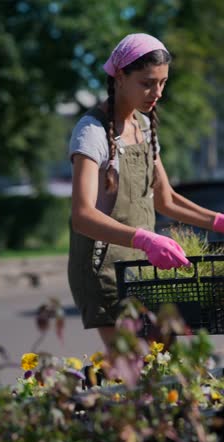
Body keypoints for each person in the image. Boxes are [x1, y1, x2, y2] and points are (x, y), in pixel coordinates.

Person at [67, 33, 224, 347]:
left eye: (163, 82)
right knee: (135, 371)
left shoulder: (145, 125)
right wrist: (144, 237)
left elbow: (165, 199)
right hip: (106, 269)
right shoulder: (92, 132)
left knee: (164, 361)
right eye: (148, 83)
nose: (158, 93)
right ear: (120, 77)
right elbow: (82, 216)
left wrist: (217, 221)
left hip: (143, 268)